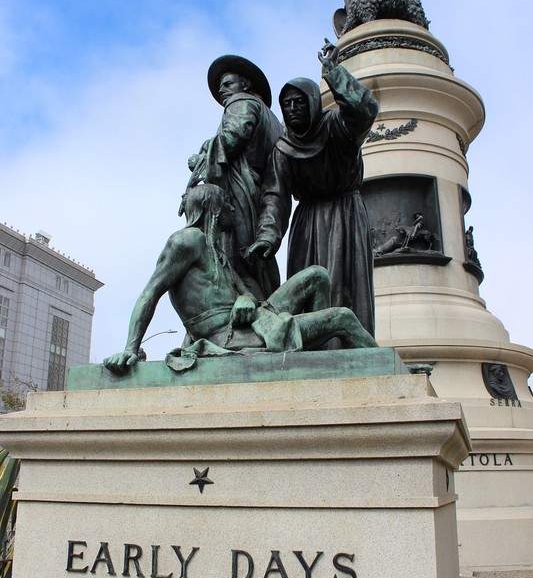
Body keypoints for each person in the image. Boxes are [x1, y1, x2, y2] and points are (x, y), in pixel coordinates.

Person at [104, 185, 377, 376]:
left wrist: (246, 297)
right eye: (226, 203)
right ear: (212, 208)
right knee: (342, 318)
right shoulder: (186, 241)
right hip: (229, 336)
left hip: (254, 320)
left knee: (317, 275)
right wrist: (130, 347)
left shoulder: (215, 250)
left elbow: (247, 296)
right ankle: (390, 369)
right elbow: (150, 293)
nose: (232, 209)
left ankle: (321, 364)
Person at [246, 40, 378, 338]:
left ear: (313, 102)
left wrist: (334, 73)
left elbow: (365, 110)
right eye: (286, 103)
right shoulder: (283, 147)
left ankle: (350, 348)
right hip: (307, 224)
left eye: (299, 101)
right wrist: (267, 234)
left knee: (346, 285)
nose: (292, 108)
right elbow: (275, 196)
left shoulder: (336, 126)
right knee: (307, 290)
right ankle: (313, 348)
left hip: (345, 214)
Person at [183, 55, 282, 301]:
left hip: (239, 194)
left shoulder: (242, 103)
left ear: (246, 85)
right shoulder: (273, 119)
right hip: (259, 193)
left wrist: (203, 159)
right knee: (254, 264)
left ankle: (255, 318)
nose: (222, 91)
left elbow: (233, 135)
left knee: (237, 261)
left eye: (227, 84)